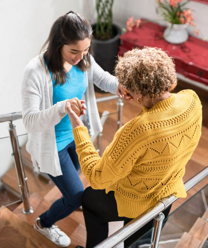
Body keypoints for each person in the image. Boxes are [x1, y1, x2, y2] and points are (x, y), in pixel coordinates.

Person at [66, 47, 203, 248]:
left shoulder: (137, 131)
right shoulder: (191, 99)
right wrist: (143, 103)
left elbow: (97, 177)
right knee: (137, 233)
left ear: (137, 92)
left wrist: (78, 127)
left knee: (89, 198)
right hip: (168, 192)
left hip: (135, 201)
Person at [21, 11, 124, 247]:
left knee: (75, 182)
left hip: (77, 137)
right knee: (77, 195)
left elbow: (104, 79)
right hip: (53, 146)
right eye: (74, 51)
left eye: (85, 50)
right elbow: (29, 121)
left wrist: (123, 86)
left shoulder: (84, 60)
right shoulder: (35, 72)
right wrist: (63, 107)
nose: (80, 57)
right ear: (59, 44)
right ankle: (43, 223)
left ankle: (67, 200)